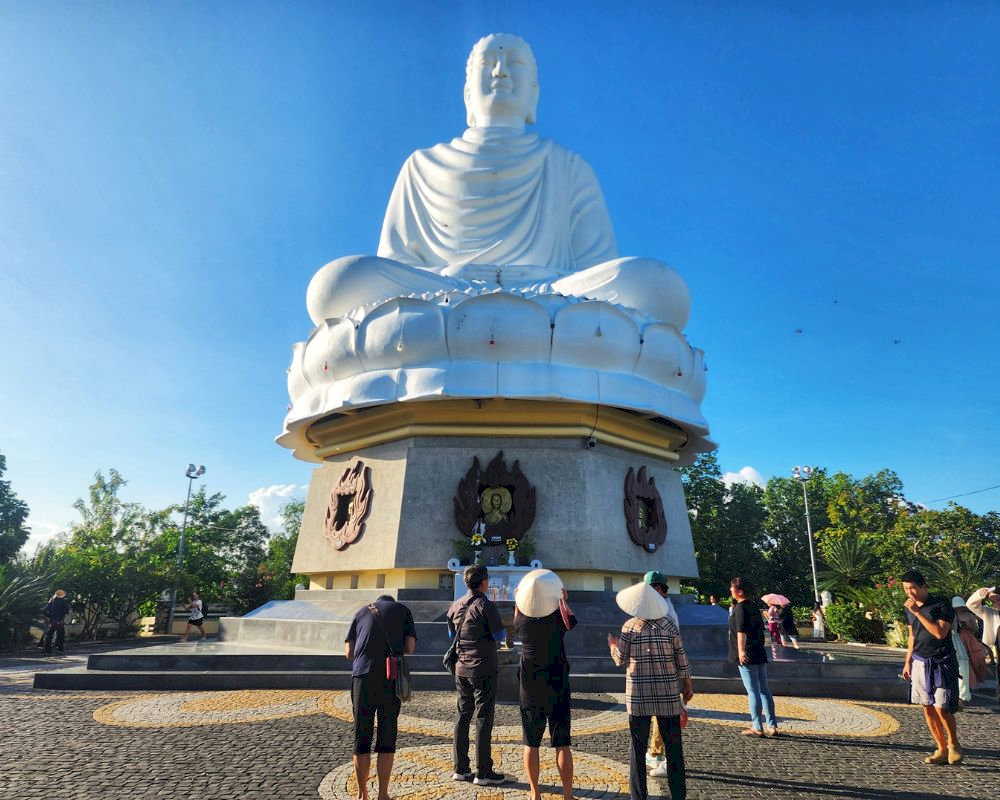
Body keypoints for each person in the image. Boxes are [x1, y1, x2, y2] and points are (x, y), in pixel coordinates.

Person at [306, 33, 691, 331]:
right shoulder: (422, 165)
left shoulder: (568, 166)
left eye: (514, 63)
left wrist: (550, 287)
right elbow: (398, 261)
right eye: (488, 63)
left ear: (534, 93)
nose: (500, 72)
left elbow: (596, 267)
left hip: (552, 297)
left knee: (657, 287)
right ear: (467, 92)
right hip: (442, 295)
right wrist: (447, 284)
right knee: (336, 285)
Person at [609, 582, 692, 800]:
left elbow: (620, 659)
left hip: (639, 695)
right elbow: (682, 660)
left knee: (637, 748)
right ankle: (678, 795)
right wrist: (687, 686)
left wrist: (612, 646)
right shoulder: (669, 626)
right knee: (674, 748)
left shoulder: (630, 627)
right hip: (668, 695)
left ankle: (638, 796)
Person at [345, 594, 417, 800]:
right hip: (389, 677)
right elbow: (410, 647)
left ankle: (362, 794)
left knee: (362, 735)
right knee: (387, 735)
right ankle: (383, 794)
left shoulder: (361, 612)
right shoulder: (403, 611)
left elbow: (349, 652)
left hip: (362, 677)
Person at [513, 569, 577, 800]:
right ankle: (567, 795)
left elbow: (519, 608)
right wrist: (563, 599)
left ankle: (535, 793)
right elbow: (571, 620)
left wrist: (519, 598)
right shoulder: (558, 620)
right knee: (562, 744)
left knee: (531, 743)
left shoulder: (521, 623)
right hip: (557, 681)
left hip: (530, 686)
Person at [448, 564, 508, 785]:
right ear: (484, 582)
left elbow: (451, 634)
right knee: (483, 717)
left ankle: (460, 768)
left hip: (461, 668)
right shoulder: (485, 605)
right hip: (483, 667)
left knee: (463, 715)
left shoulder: (456, 605)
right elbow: (500, 636)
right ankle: (483, 772)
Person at [901, 569, 962, 764]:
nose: (909, 593)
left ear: (923, 586)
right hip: (920, 661)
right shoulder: (908, 609)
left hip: (942, 660)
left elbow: (940, 633)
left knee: (942, 706)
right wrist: (908, 662)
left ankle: (953, 744)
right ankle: (941, 748)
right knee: (927, 706)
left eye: (912, 588)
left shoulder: (941, 604)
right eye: (906, 589)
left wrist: (918, 612)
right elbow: (912, 636)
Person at [730, 577, 778, 737]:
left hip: (748, 653)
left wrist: (741, 651)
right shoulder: (753, 606)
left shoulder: (741, 608)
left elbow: (741, 631)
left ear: (739, 591)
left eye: (732, 587)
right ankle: (772, 725)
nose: (730, 590)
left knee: (753, 691)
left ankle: (757, 726)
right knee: (764, 689)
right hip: (758, 651)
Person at [641, 571, 679, 778]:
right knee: (660, 714)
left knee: (666, 717)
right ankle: (656, 753)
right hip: (663, 669)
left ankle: (668, 762)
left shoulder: (663, 612)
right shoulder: (663, 607)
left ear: (657, 589)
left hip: (664, 669)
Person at [966, 585, 1000, 705]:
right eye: (992, 601)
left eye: (998, 599)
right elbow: (970, 605)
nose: (995, 603)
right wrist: (980, 594)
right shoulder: (991, 613)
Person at [950, 596, 987, 707]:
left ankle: (968, 688)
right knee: (962, 666)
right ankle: (961, 692)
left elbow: (975, 629)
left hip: (968, 639)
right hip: (957, 639)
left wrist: (966, 627)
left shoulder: (969, 615)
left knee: (973, 660)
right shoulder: (951, 615)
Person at [41, 589, 71, 655]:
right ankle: (60, 650)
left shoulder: (51, 601)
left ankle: (47, 651)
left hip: (52, 622)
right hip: (60, 621)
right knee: (60, 636)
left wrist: (50, 616)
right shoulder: (64, 602)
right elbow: (67, 611)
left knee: (49, 636)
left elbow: (44, 611)